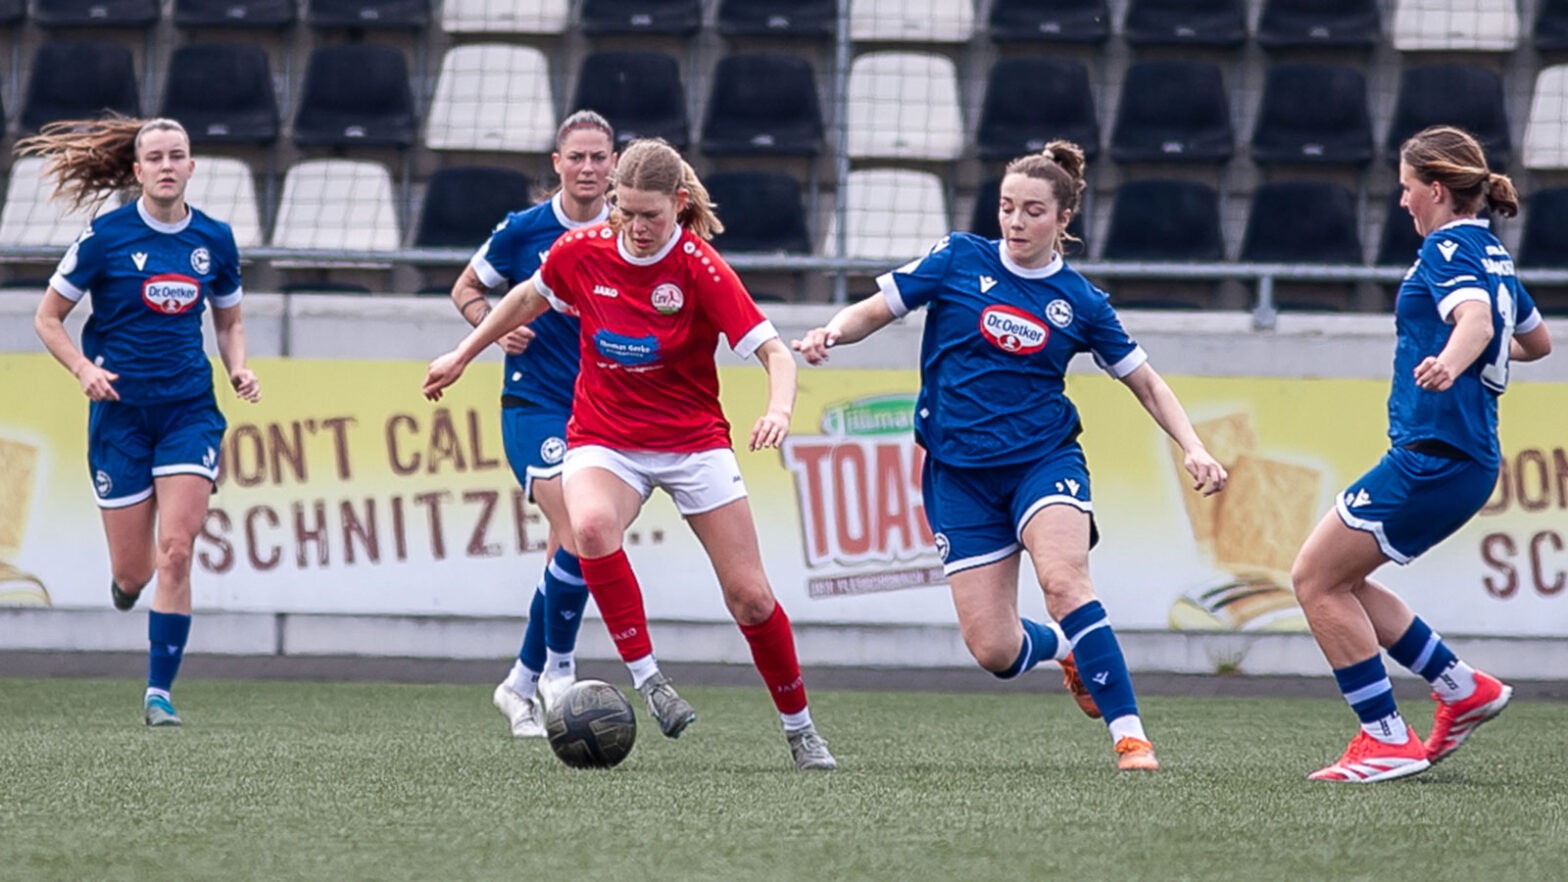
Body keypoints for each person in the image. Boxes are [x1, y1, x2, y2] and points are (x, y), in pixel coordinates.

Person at [792, 141, 1227, 772]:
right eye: (1006, 207)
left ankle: (1131, 737)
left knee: (1063, 581)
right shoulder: (957, 258)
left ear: (1063, 219)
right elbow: (876, 309)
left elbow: (1146, 382)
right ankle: (1066, 649)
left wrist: (1193, 447)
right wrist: (831, 331)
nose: (1016, 222)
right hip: (958, 476)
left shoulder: (1082, 302)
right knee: (994, 650)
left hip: (1043, 462)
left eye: (1032, 211)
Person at [424, 138, 837, 771]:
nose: (637, 228)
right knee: (588, 527)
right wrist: (462, 353)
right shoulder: (582, 250)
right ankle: (650, 682)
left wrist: (779, 409)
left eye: (651, 215)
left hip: (692, 441)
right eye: (626, 211)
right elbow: (527, 297)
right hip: (605, 436)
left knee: (751, 597)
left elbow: (774, 352)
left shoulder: (700, 268)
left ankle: (801, 729)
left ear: (679, 203)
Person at [1292, 125, 1551, 784]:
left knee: (1315, 580)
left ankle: (1385, 738)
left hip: (1435, 453)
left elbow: (1478, 322)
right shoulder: (1493, 253)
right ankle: (1461, 688)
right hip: (1465, 457)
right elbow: (1536, 341)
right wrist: (1471, 351)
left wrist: (1451, 362)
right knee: (1344, 580)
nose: (1402, 200)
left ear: (1435, 189)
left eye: (1407, 187)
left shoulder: (1447, 248)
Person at [22, 117, 260, 727]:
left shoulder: (215, 239)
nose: (166, 166)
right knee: (134, 572)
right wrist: (82, 369)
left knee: (176, 550)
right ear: (137, 171)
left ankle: (159, 693)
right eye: (154, 157)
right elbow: (47, 317)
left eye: (177, 155)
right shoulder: (106, 237)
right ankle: (127, 589)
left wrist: (238, 367)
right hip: (120, 417)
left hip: (188, 411)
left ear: (191, 166)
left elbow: (229, 320)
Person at [447, 110, 616, 738]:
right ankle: (558, 676)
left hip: (601, 411)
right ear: (557, 163)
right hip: (535, 403)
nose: (588, 168)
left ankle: (520, 683)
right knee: (576, 526)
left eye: (598, 157)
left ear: (614, 165)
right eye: (577, 157)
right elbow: (466, 288)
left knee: (573, 551)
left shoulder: (628, 231)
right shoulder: (524, 230)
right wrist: (491, 325)